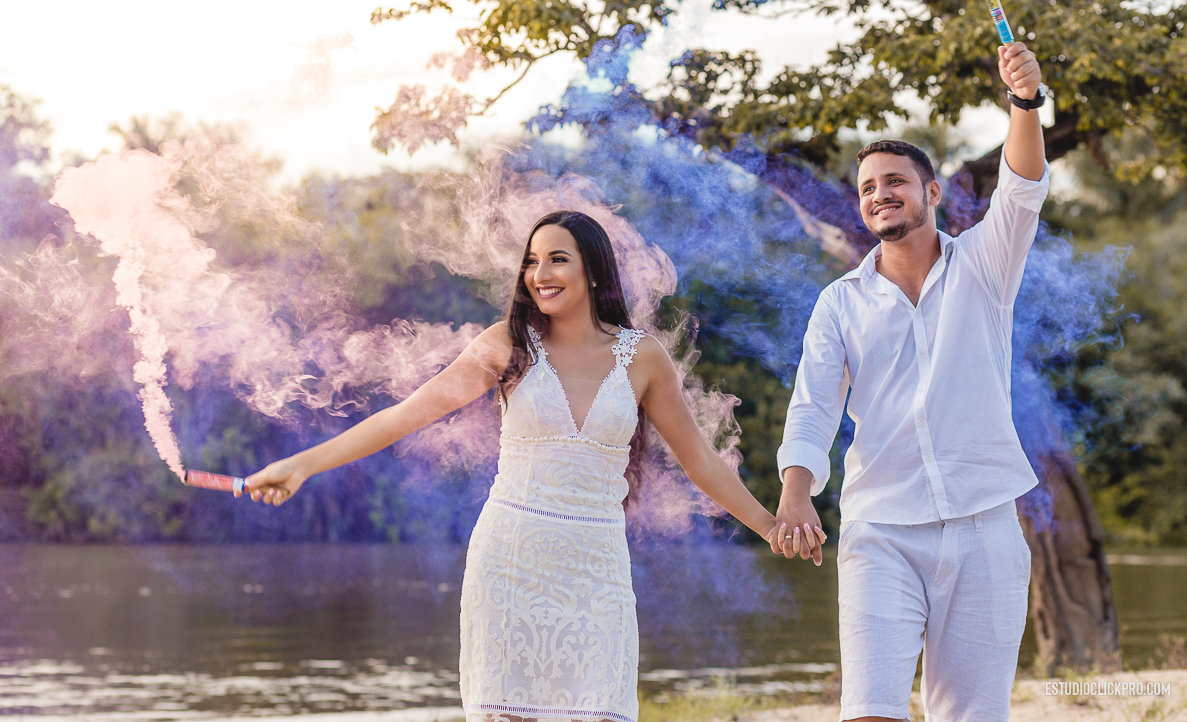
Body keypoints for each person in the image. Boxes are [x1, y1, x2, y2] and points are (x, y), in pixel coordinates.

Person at [237, 210, 780, 722]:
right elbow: (403, 417)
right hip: (511, 564)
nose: (539, 274)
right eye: (531, 261)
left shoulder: (644, 357)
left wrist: (773, 527)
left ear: (594, 271)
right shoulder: (506, 344)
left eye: (558, 259)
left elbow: (701, 462)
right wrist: (302, 465)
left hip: (597, 574)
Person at [771, 42, 1048, 722]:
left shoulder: (986, 265)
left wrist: (1024, 102)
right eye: (868, 188)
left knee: (973, 715)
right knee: (869, 710)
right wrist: (796, 494)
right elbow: (813, 407)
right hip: (880, 531)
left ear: (931, 193)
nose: (880, 195)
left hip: (984, 527)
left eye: (894, 181)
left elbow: (1021, 187)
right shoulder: (839, 302)